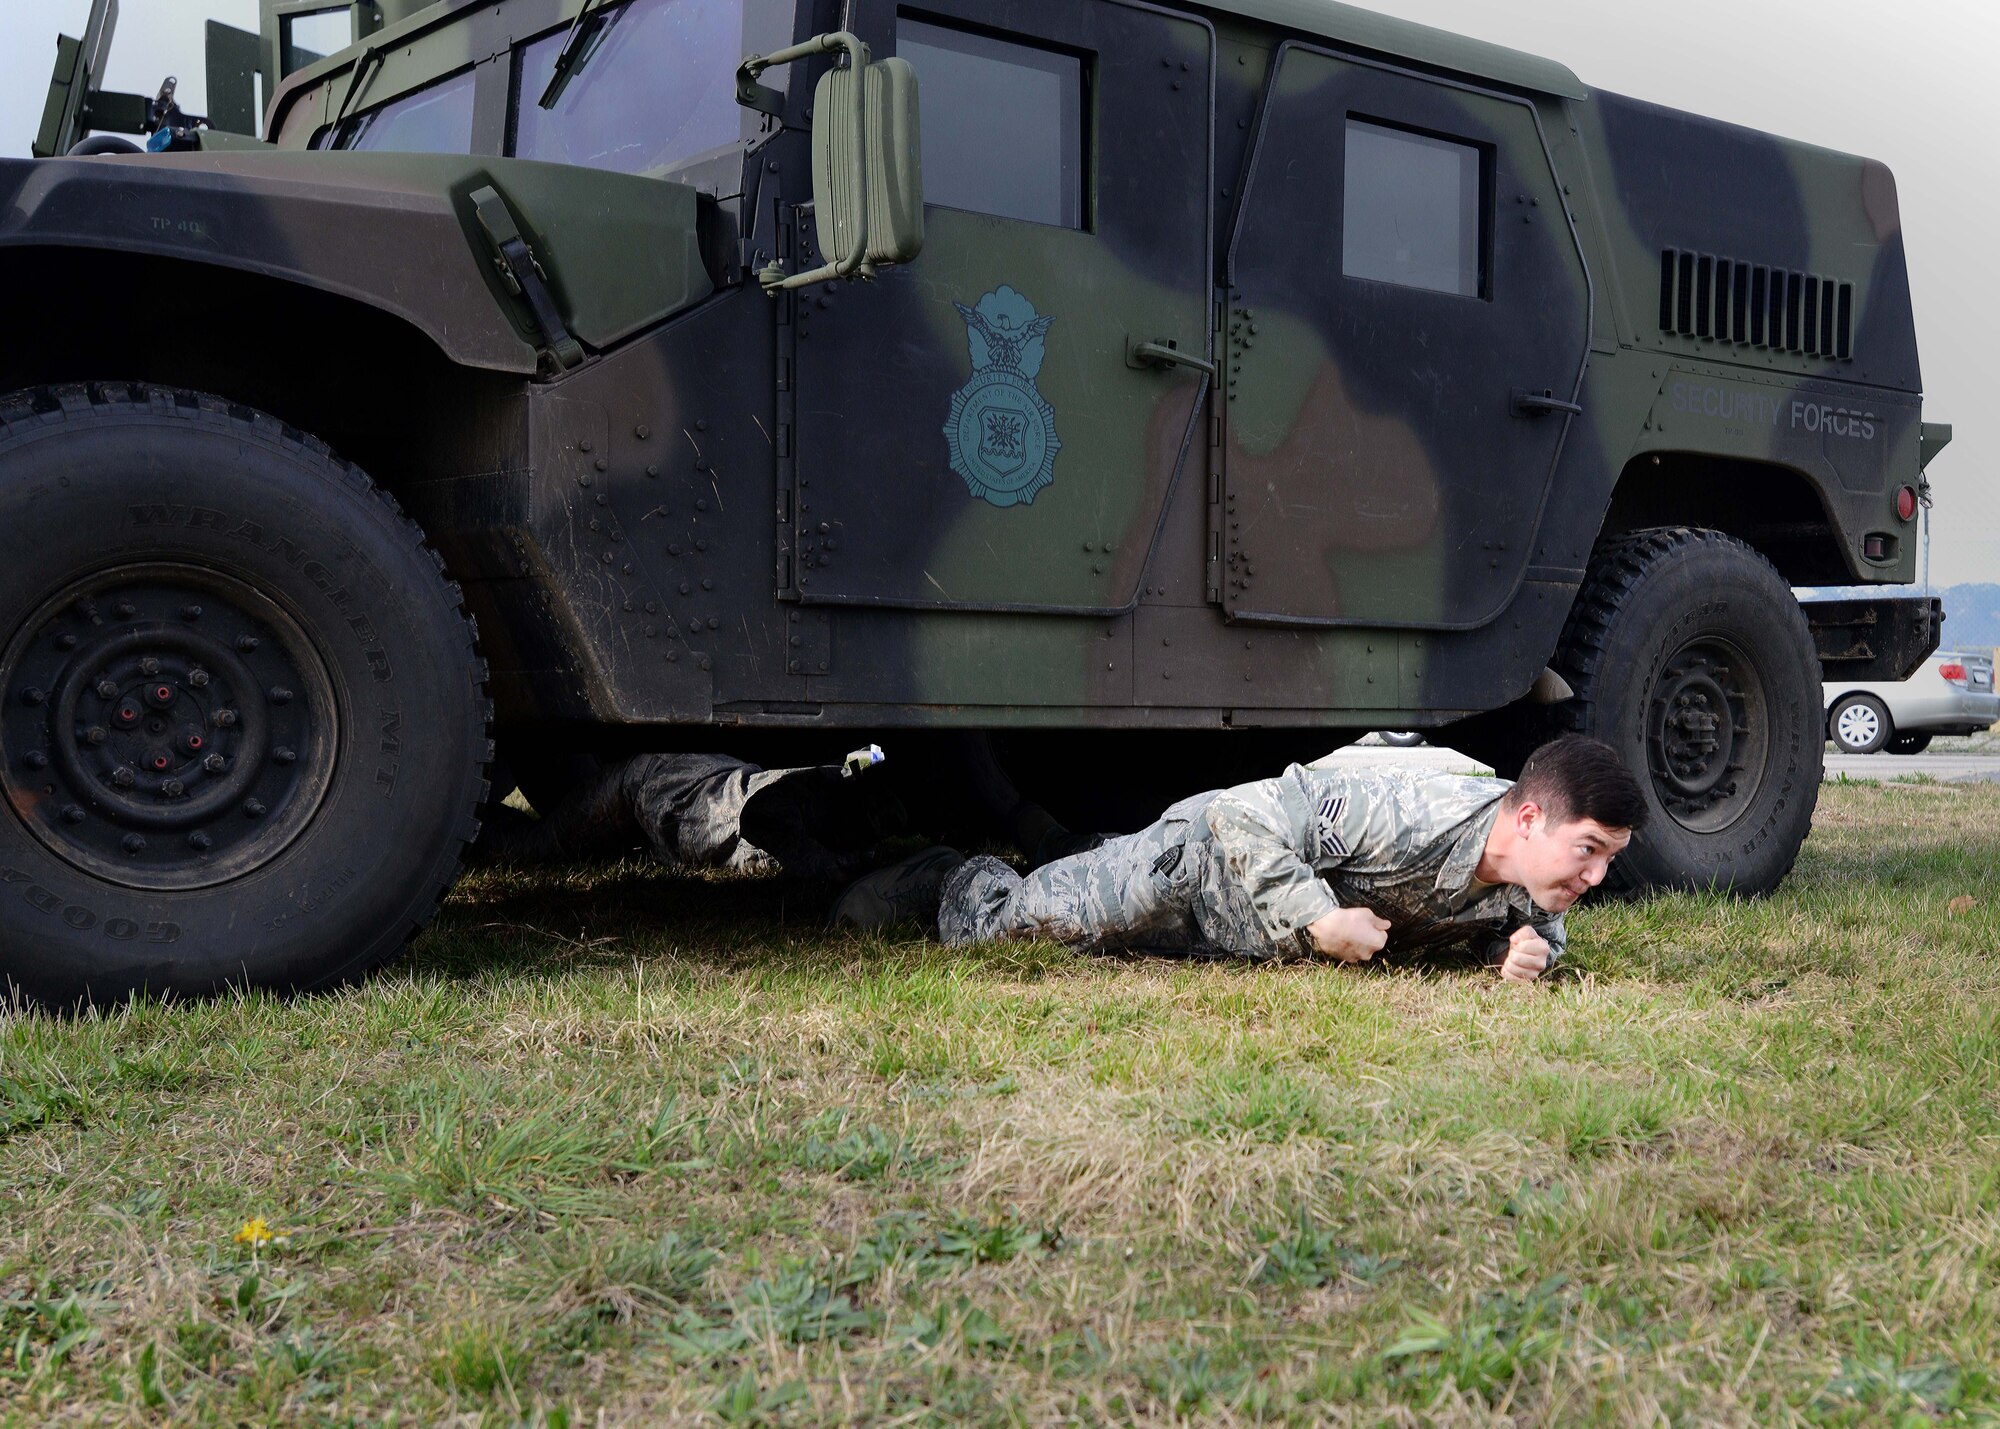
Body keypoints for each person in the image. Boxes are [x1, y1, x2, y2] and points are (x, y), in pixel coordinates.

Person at [848, 735, 1646, 983]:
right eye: (1588, 851)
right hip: (1192, 872)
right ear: (1530, 817)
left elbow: (1530, 933)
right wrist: (1321, 918)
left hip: (1225, 935)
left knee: (1089, 872)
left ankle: (1065, 842)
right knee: (1010, 930)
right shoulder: (1407, 812)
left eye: (1609, 859)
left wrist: (1510, 955)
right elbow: (1241, 813)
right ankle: (951, 872)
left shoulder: (1538, 884)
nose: (1595, 877)